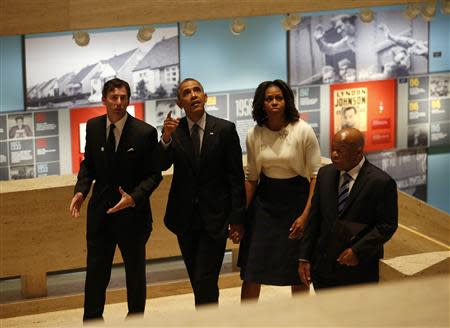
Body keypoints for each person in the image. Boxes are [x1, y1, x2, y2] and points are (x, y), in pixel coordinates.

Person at [69, 78, 162, 321]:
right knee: (96, 274)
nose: (119, 103)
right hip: (100, 215)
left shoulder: (145, 133)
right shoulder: (93, 127)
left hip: (133, 216)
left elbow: (154, 175)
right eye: (114, 98)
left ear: (128, 100)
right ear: (104, 100)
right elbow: (88, 165)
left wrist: (133, 198)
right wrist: (81, 191)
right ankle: (91, 320)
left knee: (135, 274)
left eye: (123, 98)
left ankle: (135, 321)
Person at [160, 78, 246, 306]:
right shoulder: (175, 132)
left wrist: (237, 219)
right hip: (184, 219)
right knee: (198, 280)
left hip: (215, 219)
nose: (193, 95)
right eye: (187, 93)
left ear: (205, 97)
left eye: (197, 90)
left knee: (205, 278)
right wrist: (165, 139)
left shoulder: (225, 130)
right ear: (180, 102)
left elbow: (236, 178)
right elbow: (161, 164)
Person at [238, 80, 321, 300]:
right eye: (269, 98)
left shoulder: (303, 130)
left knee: (298, 271)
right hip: (265, 204)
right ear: (261, 104)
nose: (274, 102)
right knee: (252, 270)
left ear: (286, 101)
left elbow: (315, 176)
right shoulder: (254, 133)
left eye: (279, 98)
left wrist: (306, 216)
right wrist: (239, 216)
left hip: (297, 200)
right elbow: (252, 178)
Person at [299, 128, 398, 289]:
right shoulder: (325, 174)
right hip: (323, 270)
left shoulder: (381, 182)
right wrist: (304, 257)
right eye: (333, 149)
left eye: (341, 150)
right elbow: (314, 219)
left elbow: (386, 226)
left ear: (358, 152)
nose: (334, 155)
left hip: (358, 272)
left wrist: (358, 251)